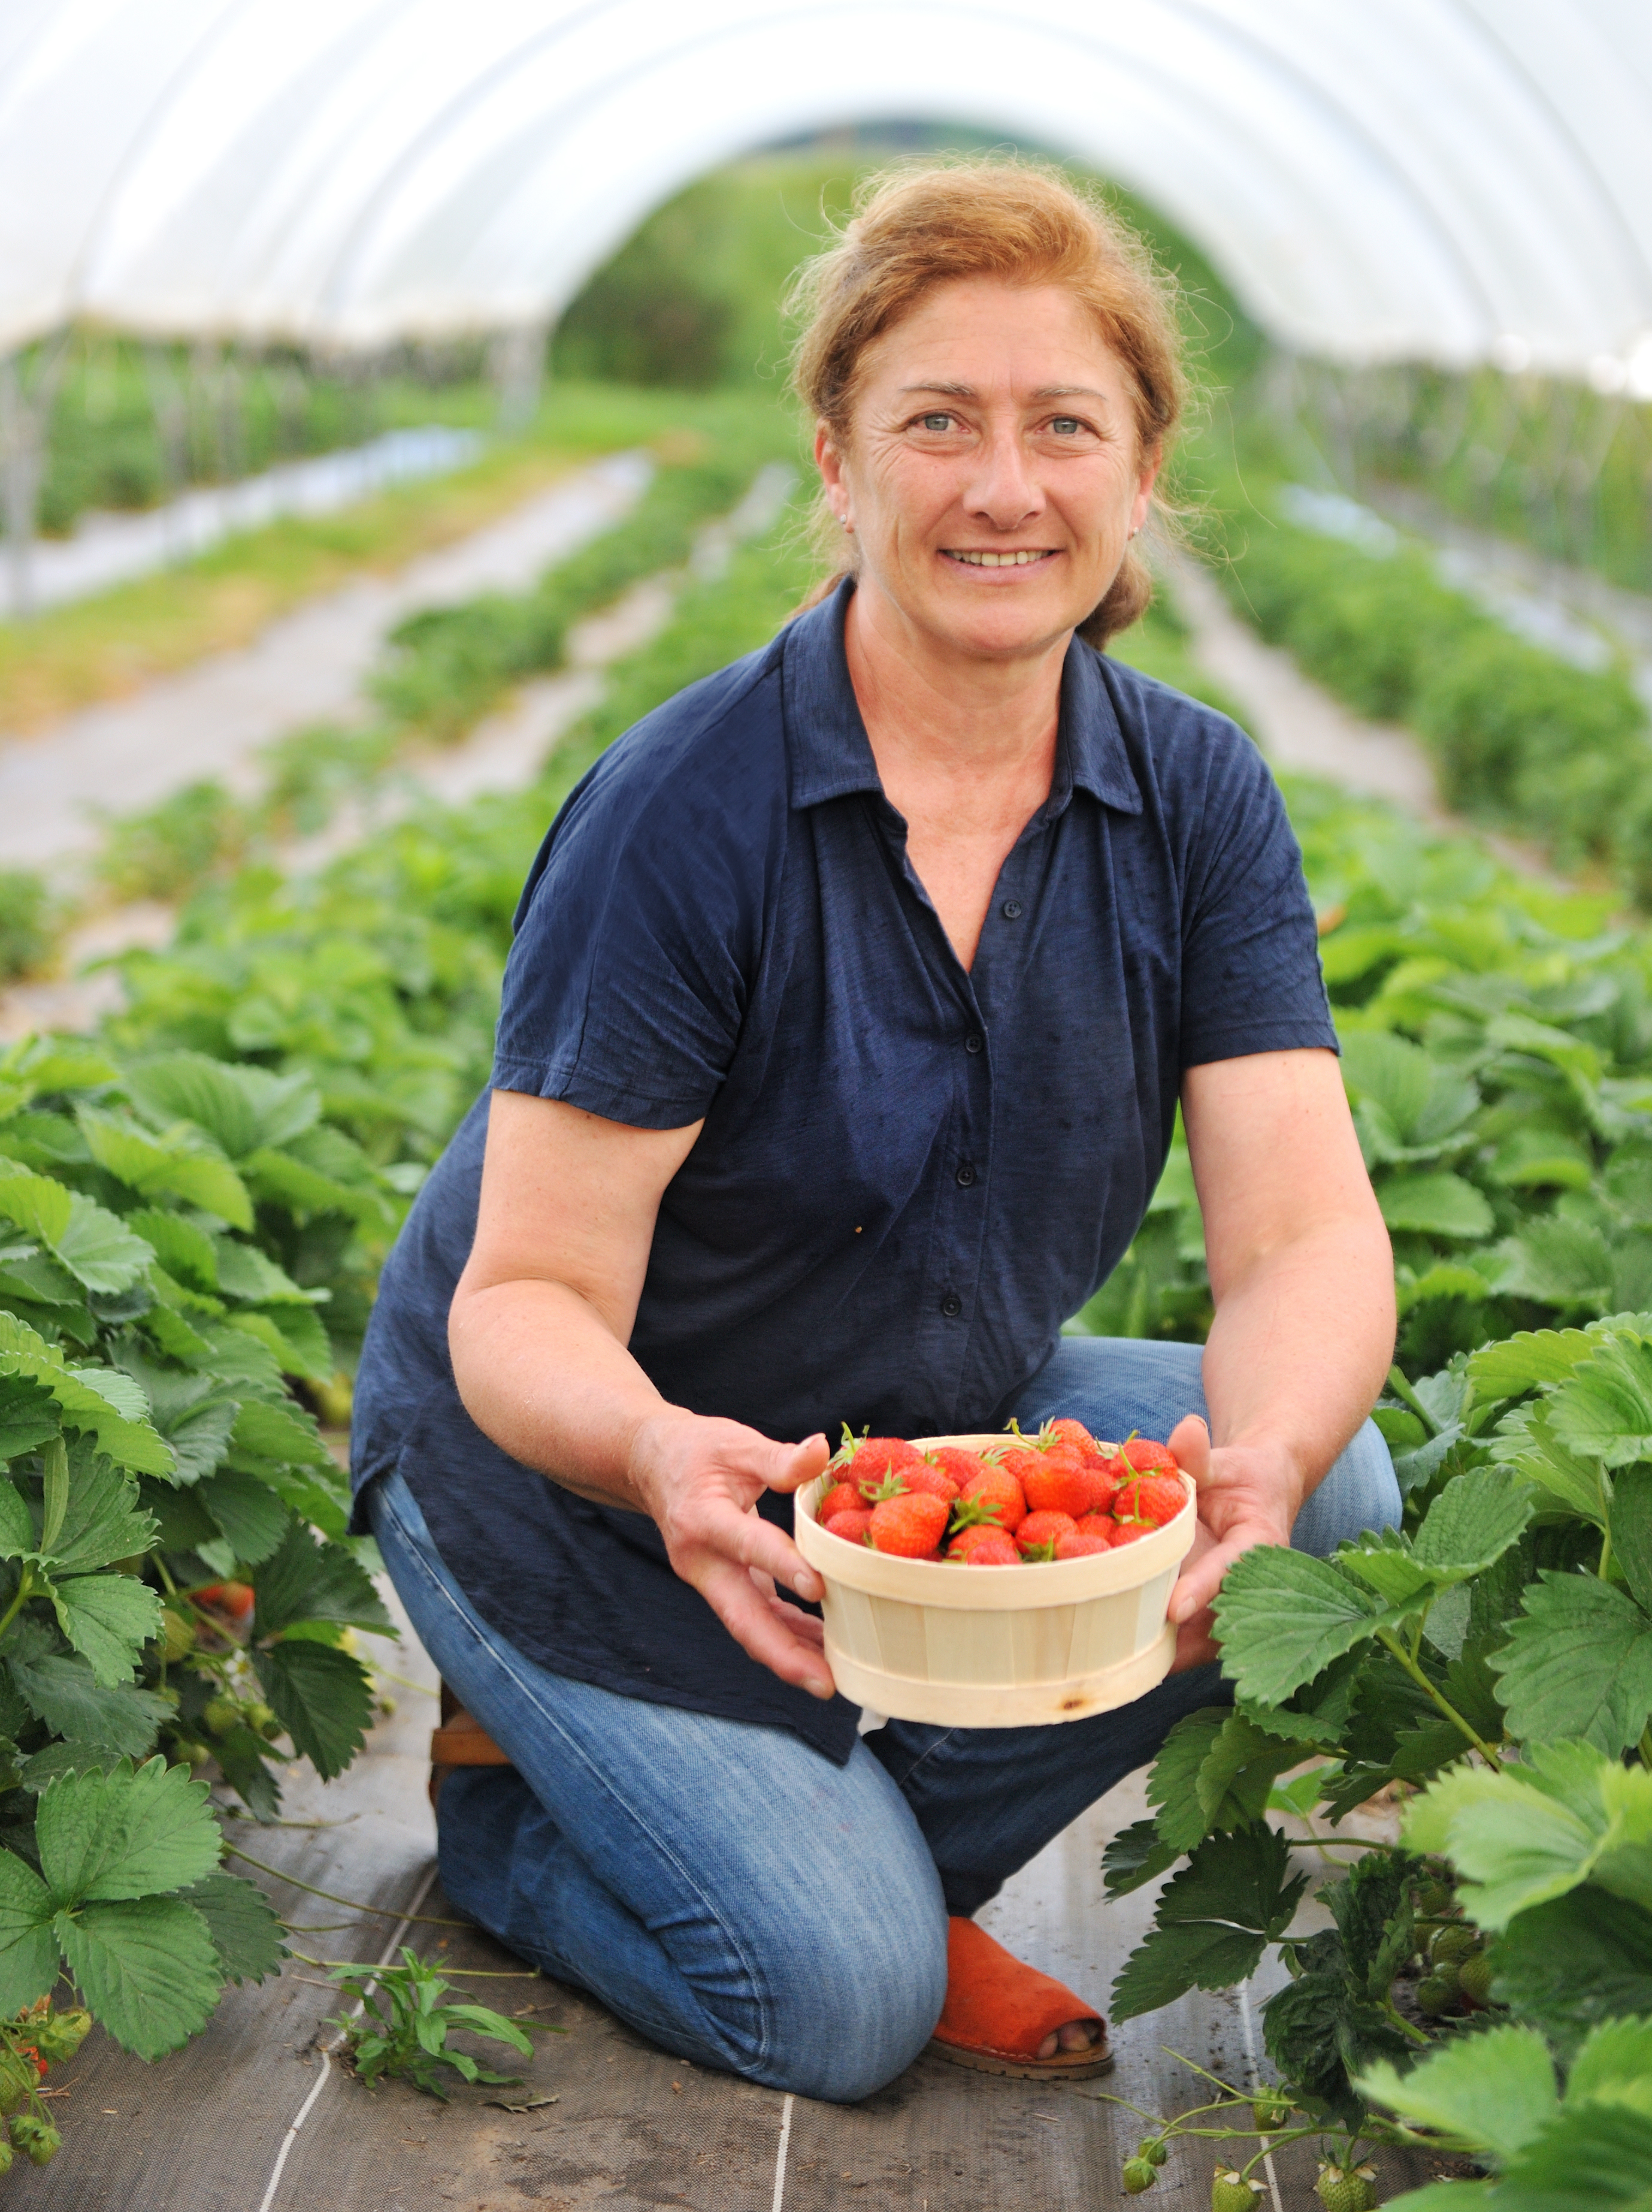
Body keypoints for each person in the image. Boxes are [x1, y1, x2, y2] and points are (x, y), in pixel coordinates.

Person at [351, 161, 1399, 2103]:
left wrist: (1258, 1451)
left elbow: (1299, 1244)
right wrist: (660, 1457)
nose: (1003, 487)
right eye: (938, 421)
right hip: (589, 1474)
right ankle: (528, 1812)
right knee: (832, 2009)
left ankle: (824, 1835)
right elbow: (525, 1298)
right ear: (839, 459)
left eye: (1062, 425)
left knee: (1324, 1502)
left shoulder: (1195, 798)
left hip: (897, 1428)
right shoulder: (693, 812)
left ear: (1139, 469)